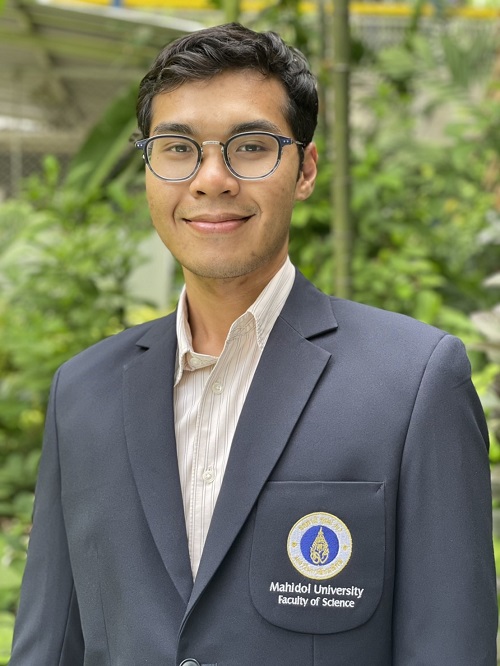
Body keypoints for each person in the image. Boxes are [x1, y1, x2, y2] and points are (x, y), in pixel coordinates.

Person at [9, 23, 497, 666]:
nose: (212, 179)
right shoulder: (83, 391)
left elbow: (449, 647)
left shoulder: (413, 383)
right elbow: (50, 644)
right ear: (149, 168)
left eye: (251, 147)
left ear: (305, 169)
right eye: (177, 148)